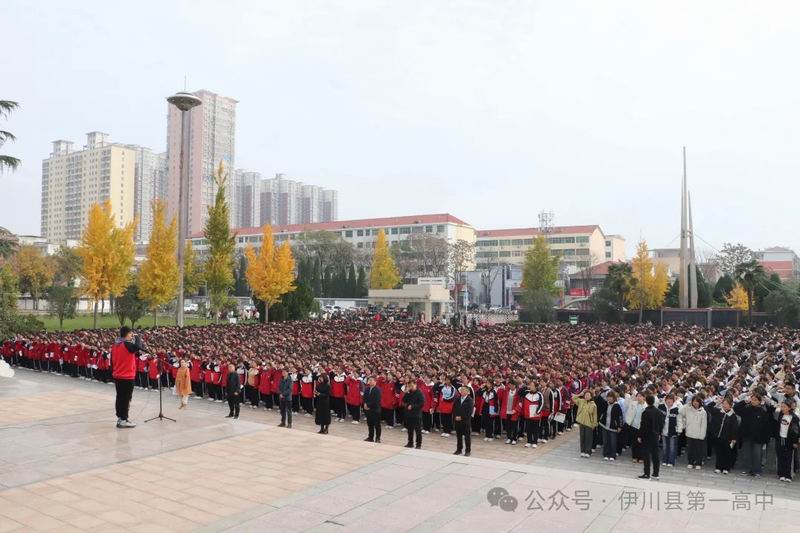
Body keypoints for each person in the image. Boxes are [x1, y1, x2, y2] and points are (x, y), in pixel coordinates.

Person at [111, 326, 141, 429]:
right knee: (126, 398)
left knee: (120, 397)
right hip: (127, 375)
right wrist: (137, 337)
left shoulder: (115, 344)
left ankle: (120, 417)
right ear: (128, 334)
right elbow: (138, 347)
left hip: (118, 374)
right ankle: (124, 419)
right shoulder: (126, 344)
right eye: (131, 334)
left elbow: (112, 360)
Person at [637, 395, 665, 480]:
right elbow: (662, 424)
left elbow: (643, 426)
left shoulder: (646, 412)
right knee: (655, 455)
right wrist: (659, 433)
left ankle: (647, 474)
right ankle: (656, 474)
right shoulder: (659, 412)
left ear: (646, 401)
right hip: (656, 435)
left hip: (647, 436)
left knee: (646, 455)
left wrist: (639, 435)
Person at [775, 399, 800, 482]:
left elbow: (796, 431)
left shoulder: (794, 417)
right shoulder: (780, 415)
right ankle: (781, 474)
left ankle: (788, 475)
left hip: (789, 440)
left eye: (784, 407)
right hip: (780, 438)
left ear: (789, 408)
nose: (782, 408)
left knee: (789, 458)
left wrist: (795, 442)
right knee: (780, 456)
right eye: (782, 406)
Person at [714, 397, 739, 475]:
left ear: (730, 405)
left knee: (727, 453)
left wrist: (733, 438)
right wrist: (717, 401)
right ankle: (718, 467)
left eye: (726, 404)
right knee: (719, 452)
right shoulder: (719, 412)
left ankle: (726, 468)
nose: (724, 405)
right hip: (719, 436)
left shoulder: (732, 415)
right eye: (723, 403)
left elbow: (734, 428)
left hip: (728, 438)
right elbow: (710, 408)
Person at [682, 395, 707, 469]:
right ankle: (690, 462)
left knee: (699, 450)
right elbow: (681, 412)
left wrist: (702, 435)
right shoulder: (688, 409)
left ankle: (698, 463)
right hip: (690, 433)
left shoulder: (703, 412)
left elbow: (704, 424)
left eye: (697, 401)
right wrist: (687, 405)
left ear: (700, 402)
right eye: (694, 401)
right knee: (690, 449)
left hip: (699, 434)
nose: (695, 403)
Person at [658, 393, 683, 468]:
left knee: (672, 447)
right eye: (668, 399)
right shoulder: (661, 407)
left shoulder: (676, 409)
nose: (669, 401)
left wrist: (679, 430)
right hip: (663, 430)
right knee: (665, 447)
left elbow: (679, 420)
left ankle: (671, 461)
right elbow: (657, 418)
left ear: (673, 401)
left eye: (671, 399)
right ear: (665, 400)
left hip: (673, 430)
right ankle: (665, 460)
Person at [572, 389, 598, 458]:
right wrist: (580, 394)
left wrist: (594, 424)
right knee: (582, 437)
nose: (586, 396)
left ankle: (588, 451)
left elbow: (595, 415)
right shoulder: (581, 401)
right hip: (581, 422)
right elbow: (573, 398)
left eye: (588, 395)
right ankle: (582, 451)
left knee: (588, 438)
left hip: (589, 423)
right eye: (586, 395)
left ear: (591, 396)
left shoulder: (593, 405)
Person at [599, 390, 623, 461]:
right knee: (605, 441)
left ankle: (612, 455)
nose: (609, 398)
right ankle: (606, 454)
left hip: (613, 427)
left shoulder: (617, 406)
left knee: (613, 442)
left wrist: (619, 426)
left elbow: (620, 417)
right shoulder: (605, 404)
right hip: (604, 425)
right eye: (608, 397)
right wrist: (600, 419)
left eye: (611, 397)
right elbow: (601, 412)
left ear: (614, 398)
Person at [402, 379, 424, 449]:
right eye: (409, 386)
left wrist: (413, 406)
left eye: (412, 385)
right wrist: (406, 392)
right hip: (409, 414)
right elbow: (404, 400)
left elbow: (422, 403)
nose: (410, 387)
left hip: (416, 414)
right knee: (409, 429)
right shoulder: (409, 392)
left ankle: (418, 444)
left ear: (415, 385)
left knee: (418, 430)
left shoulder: (419, 393)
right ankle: (410, 443)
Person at [453, 385, 474, 456]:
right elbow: (454, 408)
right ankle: (459, 449)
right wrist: (455, 416)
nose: (462, 391)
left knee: (467, 436)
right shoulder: (458, 399)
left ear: (468, 392)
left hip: (465, 421)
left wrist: (461, 417)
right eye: (461, 390)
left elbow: (469, 412)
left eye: (464, 390)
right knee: (459, 436)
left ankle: (468, 451)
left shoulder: (470, 400)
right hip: (457, 420)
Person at [363, 377, 382, 443]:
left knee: (377, 424)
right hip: (368, 410)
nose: (370, 381)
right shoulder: (367, 389)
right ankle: (370, 437)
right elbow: (364, 397)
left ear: (375, 381)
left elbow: (376, 400)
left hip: (375, 409)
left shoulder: (377, 389)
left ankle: (378, 438)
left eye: (371, 380)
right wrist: (365, 404)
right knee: (370, 424)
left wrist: (368, 405)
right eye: (369, 380)